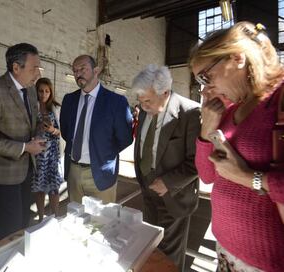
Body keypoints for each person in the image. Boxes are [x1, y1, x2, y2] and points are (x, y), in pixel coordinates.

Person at [190, 21, 284, 272]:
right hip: (225, 250)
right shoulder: (231, 110)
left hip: (265, 262)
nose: (205, 88)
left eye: (206, 76)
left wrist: (248, 178)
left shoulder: (278, 99)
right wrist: (207, 129)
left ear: (237, 58)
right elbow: (207, 175)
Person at [132, 64, 201, 271]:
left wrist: (168, 183)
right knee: (151, 248)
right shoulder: (146, 111)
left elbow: (198, 161)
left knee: (169, 257)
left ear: (166, 93)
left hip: (174, 197)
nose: (143, 107)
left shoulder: (190, 113)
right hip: (148, 192)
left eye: (147, 101)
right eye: (140, 101)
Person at [0, 43, 45, 240]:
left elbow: (35, 120)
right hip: (4, 175)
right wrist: (24, 147)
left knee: (23, 223)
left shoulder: (30, 90)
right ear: (16, 67)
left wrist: (38, 134)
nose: (38, 74)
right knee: (9, 230)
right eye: (34, 68)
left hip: (27, 170)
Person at [60, 55, 133, 204]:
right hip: (73, 171)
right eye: (75, 71)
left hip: (101, 173)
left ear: (96, 71)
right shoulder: (69, 100)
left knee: (102, 223)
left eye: (83, 69)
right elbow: (66, 132)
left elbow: (125, 138)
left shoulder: (116, 102)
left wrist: (104, 153)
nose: (78, 73)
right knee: (76, 220)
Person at [32, 77, 63, 221]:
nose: (43, 94)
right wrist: (36, 129)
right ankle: (40, 217)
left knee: (53, 188)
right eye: (40, 91)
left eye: (47, 91)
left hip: (52, 155)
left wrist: (52, 129)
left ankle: (56, 216)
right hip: (38, 154)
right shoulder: (32, 108)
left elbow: (61, 132)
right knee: (39, 188)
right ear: (36, 91)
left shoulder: (56, 108)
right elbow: (27, 130)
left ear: (51, 92)